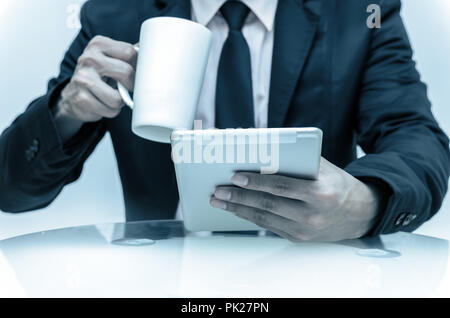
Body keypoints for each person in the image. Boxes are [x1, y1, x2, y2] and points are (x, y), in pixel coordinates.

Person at [0, 0, 449, 242]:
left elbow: (416, 138)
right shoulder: (117, 12)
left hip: (312, 265)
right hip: (159, 275)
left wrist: (366, 202)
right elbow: (10, 189)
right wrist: (65, 112)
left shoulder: (359, 11)